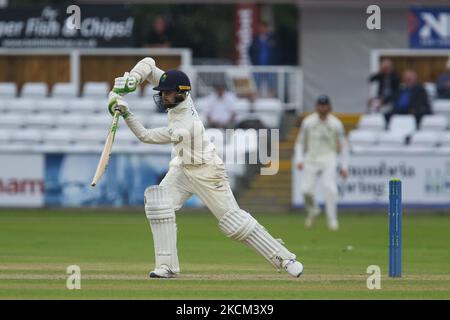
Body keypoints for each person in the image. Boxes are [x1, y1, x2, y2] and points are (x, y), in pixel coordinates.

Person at [107, 57, 303, 278]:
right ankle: (167, 266)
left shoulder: (184, 126)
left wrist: (126, 113)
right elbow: (148, 63)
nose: (163, 96)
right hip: (182, 168)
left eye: (167, 93)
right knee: (159, 204)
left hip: (207, 171)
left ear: (180, 93)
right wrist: (132, 80)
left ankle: (285, 258)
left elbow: (145, 136)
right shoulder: (183, 99)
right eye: (162, 92)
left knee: (234, 223)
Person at [295, 95, 349, 231]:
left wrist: (344, 166)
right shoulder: (308, 122)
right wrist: (299, 159)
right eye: (320, 105)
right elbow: (300, 143)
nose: (323, 108)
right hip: (311, 158)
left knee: (330, 188)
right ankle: (313, 210)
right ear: (316, 107)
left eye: (325, 105)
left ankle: (332, 220)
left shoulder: (336, 124)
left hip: (329, 158)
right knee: (305, 190)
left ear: (330, 107)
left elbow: (344, 146)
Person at [248, 21, 280, 97]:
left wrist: (275, 62)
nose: (262, 29)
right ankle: (256, 102)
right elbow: (250, 51)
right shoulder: (255, 38)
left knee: (271, 85)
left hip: (270, 67)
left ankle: (272, 101)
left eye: (264, 27)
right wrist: (254, 62)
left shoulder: (273, 38)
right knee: (256, 86)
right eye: (261, 27)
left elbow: (278, 51)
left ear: (267, 28)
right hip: (258, 67)